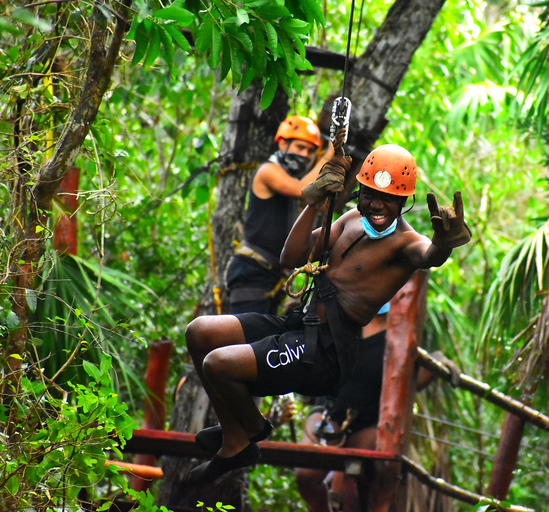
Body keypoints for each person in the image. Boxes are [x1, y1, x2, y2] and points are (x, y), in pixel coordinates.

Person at [184, 135, 471, 484]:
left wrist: (443, 243)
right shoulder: (350, 218)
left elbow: (430, 256)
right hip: (298, 324)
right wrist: (314, 201)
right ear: (359, 193)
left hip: (327, 349)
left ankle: (253, 428)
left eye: (390, 199)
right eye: (371, 195)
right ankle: (236, 437)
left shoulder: (407, 243)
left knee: (218, 365)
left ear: (404, 202)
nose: (378, 205)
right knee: (199, 333)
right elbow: (291, 257)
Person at [294, 305, 460, 512]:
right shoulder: (342, 319)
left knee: (373, 476)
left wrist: (439, 361)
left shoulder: (400, 337)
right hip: (329, 413)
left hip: (370, 422)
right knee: (306, 476)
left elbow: (413, 382)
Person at [225, 115, 334, 315]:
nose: (305, 155)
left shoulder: (288, 178)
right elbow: (301, 189)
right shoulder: (268, 171)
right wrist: (328, 158)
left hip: (270, 274)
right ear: (283, 143)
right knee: (246, 337)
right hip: (252, 270)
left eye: (310, 151)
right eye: (300, 148)